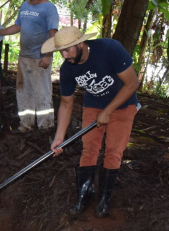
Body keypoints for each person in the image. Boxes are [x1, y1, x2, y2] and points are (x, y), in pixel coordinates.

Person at [45, 26, 140, 218]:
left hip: (123, 103)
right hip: (94, 104)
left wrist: (108, 111)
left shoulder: (109, 49)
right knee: (89, 149)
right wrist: (59, 138)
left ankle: (104, 200)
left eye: (68, 50)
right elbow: (65, 104)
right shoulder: (67, 69)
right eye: (60, 51)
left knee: (113, 151)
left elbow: (132, 83)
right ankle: (84, 196)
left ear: (81, 43)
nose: (64, 55)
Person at [0, 0, 60, 132]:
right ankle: (26, 125)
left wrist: (49, 56)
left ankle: (45, 127)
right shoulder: (25, 6)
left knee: (42, 93)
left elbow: (53, 34)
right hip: (24, 57)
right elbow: (18, 27)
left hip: (40, 59)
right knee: (24, 92)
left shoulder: (49, 8)